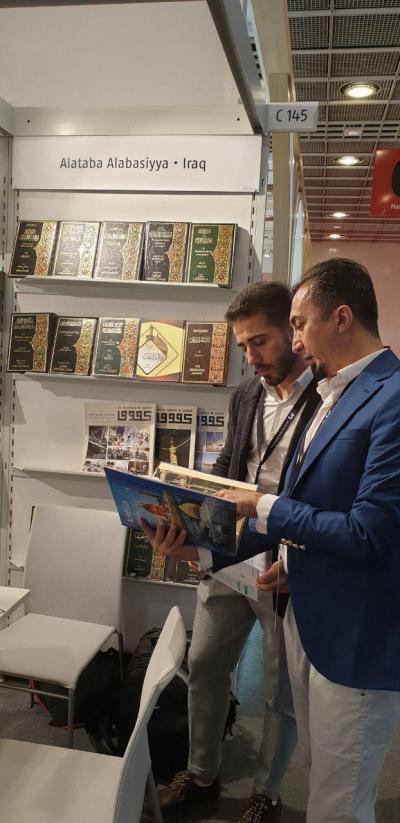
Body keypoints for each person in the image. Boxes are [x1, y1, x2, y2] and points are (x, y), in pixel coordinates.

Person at [152, 258, 400, 823]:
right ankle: (203, 775)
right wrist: (197, 540)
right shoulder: (324, 393)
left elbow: (369, 529)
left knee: (331, 784)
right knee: (319, 771)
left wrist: (265, 510)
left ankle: (266, 792)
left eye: (295, 325)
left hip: (344, 622)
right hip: (280, 578)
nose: (293, 341)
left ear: (340, 318)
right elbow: (252, 476)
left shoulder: (370, 395)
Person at [142, 281, 319, 823]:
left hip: (285, 565)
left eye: (259, 341)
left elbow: (329, 496)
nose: (251, 356)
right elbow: (226, 470)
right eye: (243, 345)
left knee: (279, 692)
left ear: (292, 329)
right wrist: (186, 526)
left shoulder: (327, 397)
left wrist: (304, 559)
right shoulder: (246, 394)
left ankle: (267, 793)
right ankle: (201, 777)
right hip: (232, 558)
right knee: (204, 665)